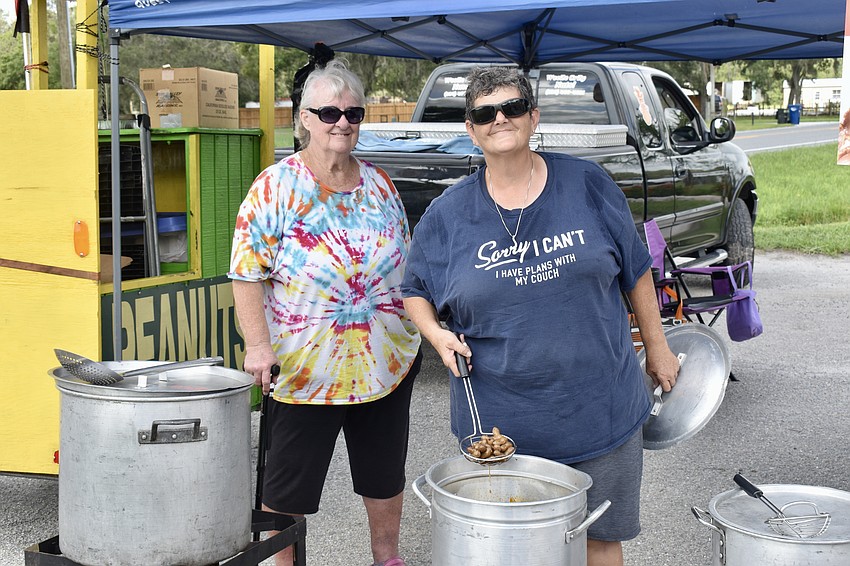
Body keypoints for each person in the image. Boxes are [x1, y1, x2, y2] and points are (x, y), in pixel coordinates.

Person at [401, 66, 680, 566]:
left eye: (511, 108)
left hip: (601, 407)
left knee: (599, 540)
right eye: (484, 113)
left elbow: (636, 270)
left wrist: (657, 346)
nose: (499, 119)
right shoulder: (448, 214)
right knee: (511, 552)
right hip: (499, 428)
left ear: (533, 117)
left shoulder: (587, 184)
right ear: (470, 128)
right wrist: (436, 336)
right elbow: (414, 289)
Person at [229, 59, 421, 566]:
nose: (343, 122)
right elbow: (245, 272)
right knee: (288, 483)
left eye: (353, 112)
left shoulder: (381, 185)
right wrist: (258, 345)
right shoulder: (275, 187)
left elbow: (408, 260)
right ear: (305, 119)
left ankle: (387, 557)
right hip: (303, 367)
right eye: (330, 112)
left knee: (383, 473)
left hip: (384, 362)